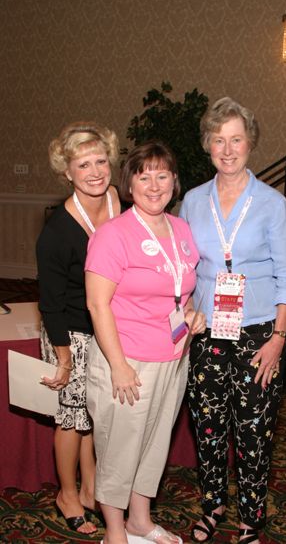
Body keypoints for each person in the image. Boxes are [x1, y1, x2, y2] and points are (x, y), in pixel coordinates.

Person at [179, 97, 286, 544]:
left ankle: (252, 518)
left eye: (236, 139)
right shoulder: (193, 202)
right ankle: (212, 506)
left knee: (253, 432)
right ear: (207, 145)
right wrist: (187, 308)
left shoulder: (272, 204)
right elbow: (183, 267)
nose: (227, 149)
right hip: (208, 332)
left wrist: (278, 338)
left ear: (250, 143)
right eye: (218, 140)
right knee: (208, 426)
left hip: (258, 333)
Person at [84, 141, 206, 544]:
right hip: (128, 361)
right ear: (129, 183)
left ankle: (140, 519)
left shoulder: (182, 230)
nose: (154, 185)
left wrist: (191, 314)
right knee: (119, 448)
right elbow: (98, 305)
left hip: (173, 357)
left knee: (153, 444)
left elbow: (181, 292)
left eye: (162, 175)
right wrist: (118, 365)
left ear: (174, 181)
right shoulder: (112, 235)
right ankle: (115, 531)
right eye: (143, 175)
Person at [36, 121, 121, 535]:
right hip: (68, 333)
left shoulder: (117, 200)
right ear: (67, 172)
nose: (94, 171)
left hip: (105, 326)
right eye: (82, 164)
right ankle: (66, 494)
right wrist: (64, 358)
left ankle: (90, 489)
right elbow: (50, 303)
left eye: (100, 160)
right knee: (70, 417)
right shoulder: (56, 231)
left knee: (94, 413)